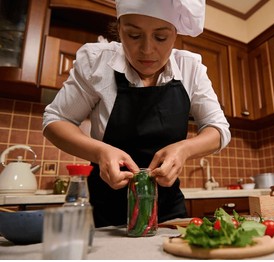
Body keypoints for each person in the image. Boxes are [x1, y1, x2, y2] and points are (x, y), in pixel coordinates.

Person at [42, 0, 231, 227]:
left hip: (168, 213)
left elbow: (218, 128)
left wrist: (184, 149)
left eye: (160, 37)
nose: (147, 50)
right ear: (119, 29)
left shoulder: (191, 69)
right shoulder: (96, 63)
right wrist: (101, 152)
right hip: (105, 214)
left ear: (175, 34)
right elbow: (56, 120)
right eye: (133, 35)